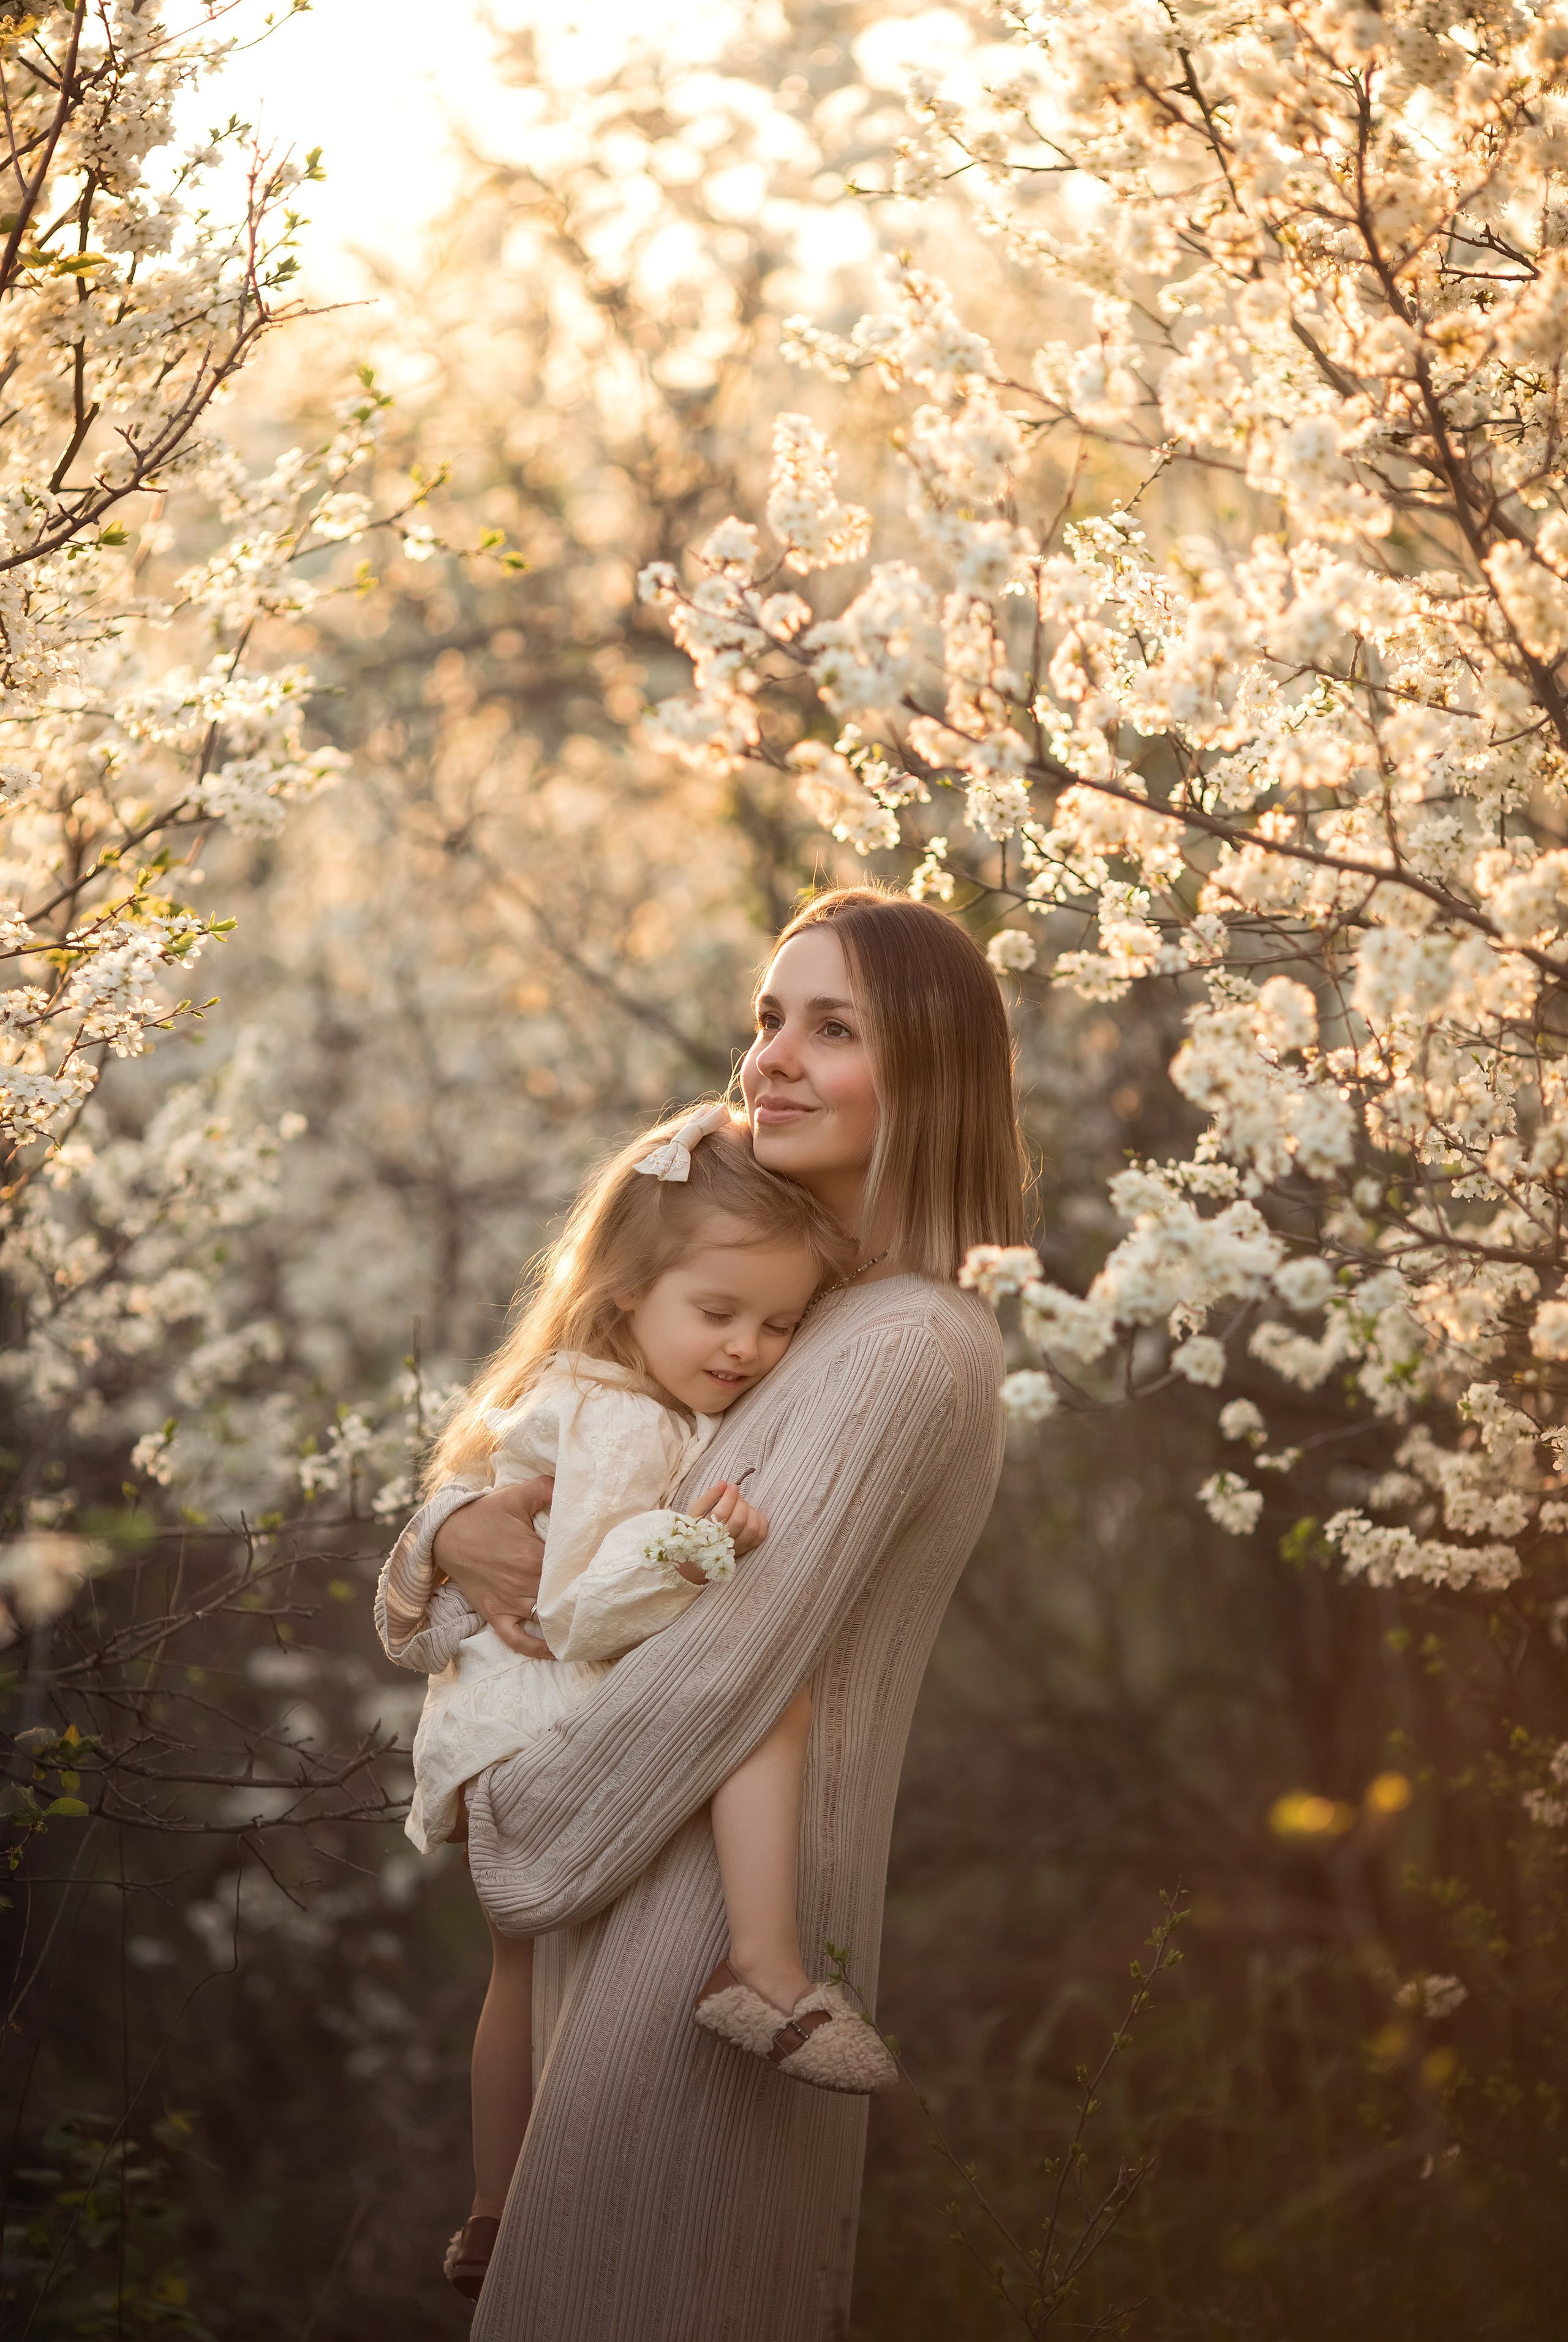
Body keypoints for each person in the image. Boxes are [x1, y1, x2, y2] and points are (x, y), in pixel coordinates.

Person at [375, 885, 1025, 2340]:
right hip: (635, 1881)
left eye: (833, 1028)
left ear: (928, 1077)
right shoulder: (782, 1309)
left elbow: (714, 1671)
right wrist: (447, 1527)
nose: (771, 1060)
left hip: (706, 1937)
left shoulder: (903, 1342)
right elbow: (574, 1472)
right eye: (766, 1018)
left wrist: (515, 1830)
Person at [388, 1104, 897, 2299]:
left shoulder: (597, 1386)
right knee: (765, 1706)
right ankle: (762, 1962)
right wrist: (688, 1547)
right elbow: (576, 1609)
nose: (745, 1350)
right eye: (716, 1314)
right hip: (547, 1701)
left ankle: (492, 2209)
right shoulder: (619, 1418)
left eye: (778, 1324)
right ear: (625, 1293)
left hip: (495, 1726)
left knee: (516, 1977)